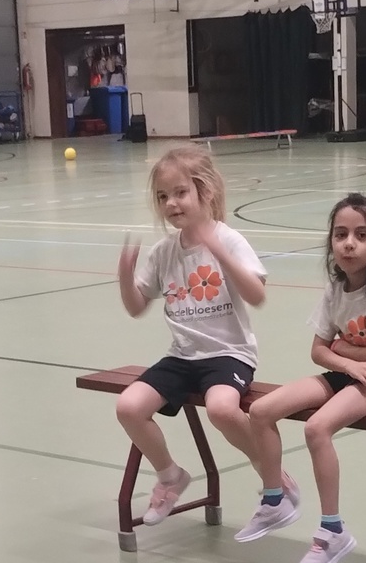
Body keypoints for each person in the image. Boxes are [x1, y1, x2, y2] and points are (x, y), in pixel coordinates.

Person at [236, 194, 366, 563]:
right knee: (261, 411)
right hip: (348, 371)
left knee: (317, 428)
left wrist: (341, 349)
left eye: (362, 235)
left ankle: (333, 530)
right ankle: (275, 499)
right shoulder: (337, 288)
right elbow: (318, 351)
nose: (349, 243)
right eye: (341, 234)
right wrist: (345, 359)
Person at [115, 145, 279, 523]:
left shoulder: (229, 239)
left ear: (205, 192)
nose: (171, 203)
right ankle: (170, 476)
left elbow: (257, 296)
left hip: (228, 354)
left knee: (222, 409)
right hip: (182, 356)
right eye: (162, 196)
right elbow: (136, 307)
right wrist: (125, 276)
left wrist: (220, 254)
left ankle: (272, 474)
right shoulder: (163, 251)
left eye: (180, 192)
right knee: (129, 407)